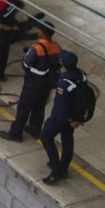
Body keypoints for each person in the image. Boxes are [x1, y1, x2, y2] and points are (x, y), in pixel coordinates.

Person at [0, 22, 62, 142]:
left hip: (33, 84)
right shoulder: (57, 47)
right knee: (39, 107)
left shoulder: (36, 49)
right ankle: (35, 130)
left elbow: (26, 65)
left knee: (24, 108)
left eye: (39, 30)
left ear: (42, 33)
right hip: (47, 83)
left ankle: (15, 133)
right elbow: (58, 63)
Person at [40, 51, 86, 184]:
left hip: (61, 117)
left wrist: (70, 120)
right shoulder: (82, 76)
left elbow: (63, 105)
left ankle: (56, 169)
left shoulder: (64, 83)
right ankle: (64, 167)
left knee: (46, 137)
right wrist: (76, 119)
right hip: (74, 115)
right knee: (67, 140)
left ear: (63, 64)